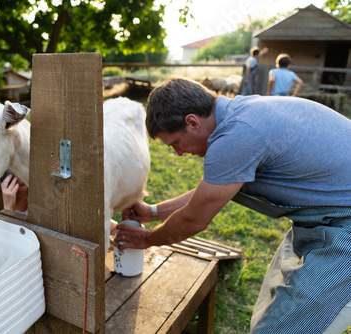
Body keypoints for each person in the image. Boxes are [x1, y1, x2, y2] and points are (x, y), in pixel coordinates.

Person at [116, 77, 351, 333]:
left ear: (192, 122)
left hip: (344, 225)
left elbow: (194, 219)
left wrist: (147, 239)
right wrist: (153, 212)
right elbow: (213, 190)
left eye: (175, 144)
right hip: (325, 218)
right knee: (271, 315)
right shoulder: (243, 114)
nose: (179, 154)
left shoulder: (237, 135)